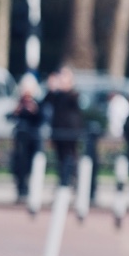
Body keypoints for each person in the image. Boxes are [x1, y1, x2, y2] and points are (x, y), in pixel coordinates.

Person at [41, 68, 87, 206]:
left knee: (70, 159)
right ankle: (63, 185)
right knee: (61, 160)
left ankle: (71, 184)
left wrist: (65, 86)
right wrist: (51, 88)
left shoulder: (72, 95)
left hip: (70, 133)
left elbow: (73, 100)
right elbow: (45, 102)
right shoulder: (56, 95)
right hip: (58, 132)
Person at [10, 77, 44, 204]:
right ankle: (20, 189)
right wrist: (17, 110)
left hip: (32, 139)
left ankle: (28, 189)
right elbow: (11, 116)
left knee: (31, 165)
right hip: (20, 139)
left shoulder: (37, 103)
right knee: (19, 165)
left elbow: (41, 118)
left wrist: (34, 111)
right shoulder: (19, 102)